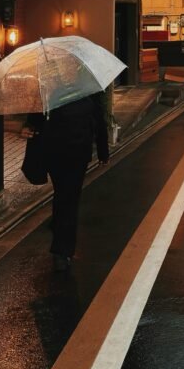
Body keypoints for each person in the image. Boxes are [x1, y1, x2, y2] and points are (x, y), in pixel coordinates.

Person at [29, 92, 109, 271]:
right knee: (68, 197)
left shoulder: (51, 88)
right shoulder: (87, 89)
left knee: (64, 195)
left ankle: (60, 240)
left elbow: (36, 118)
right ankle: (62, 251)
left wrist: (103, 149)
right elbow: (98, 118)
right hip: (69, 152)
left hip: (62, 152)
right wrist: (103, 150)